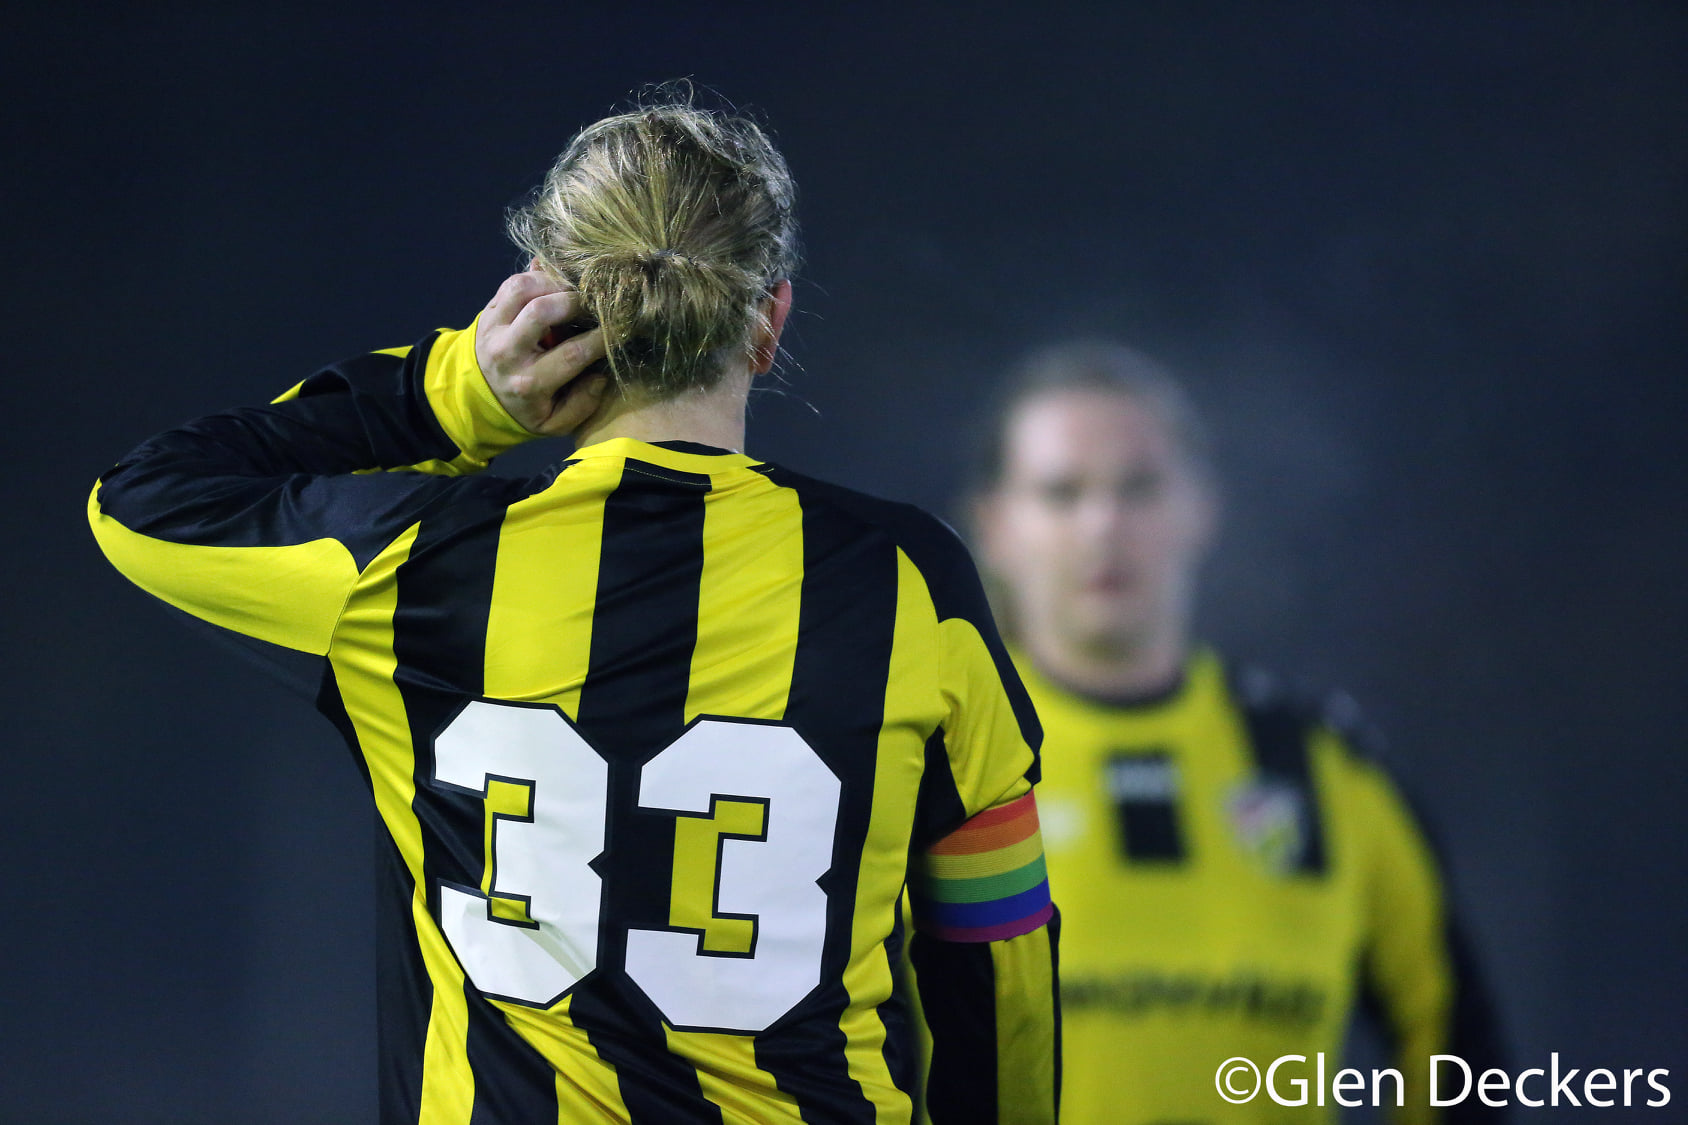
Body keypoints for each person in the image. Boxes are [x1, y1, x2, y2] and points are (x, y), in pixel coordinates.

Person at [88, 93, 1058, 1125]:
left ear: (549, 304)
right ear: (766, 322)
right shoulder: (907, 582)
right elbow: (997, 958)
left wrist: (454, 393)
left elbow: (142, 503)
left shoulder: (416, 567)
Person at [968, 342, 1506, 1124]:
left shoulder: (1327, 772)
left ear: (1200, 507)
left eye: (1140, 487)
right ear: (996, 524)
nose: (1104, 524)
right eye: (1061, 492)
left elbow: (1459, 1049)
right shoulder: (938, 767)